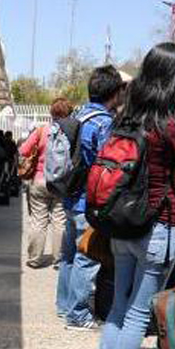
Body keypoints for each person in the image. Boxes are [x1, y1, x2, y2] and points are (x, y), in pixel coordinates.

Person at [88, 42, 175, 349]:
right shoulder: (173, 124)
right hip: (157, 226)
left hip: (123, 226)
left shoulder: (127, 117)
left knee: (119, 305)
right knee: (139, 312)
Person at [56, 65, 124, 330]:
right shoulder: (104, 123)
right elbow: (109, 165)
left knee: (69, 256)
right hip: (89, 201)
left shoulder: (77, 116)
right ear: (114, 92)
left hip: (70, 196)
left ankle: (64, 306)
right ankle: (77, 315)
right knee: (87, 257)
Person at [19, 98, 70, 269]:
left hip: (40, 180)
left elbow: (23, 151)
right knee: (60, 221)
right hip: (61, 182)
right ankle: (59, 260)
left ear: (51, 113)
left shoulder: (42, 130)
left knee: (38, 221)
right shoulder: (71, 131)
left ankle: (35, 258)